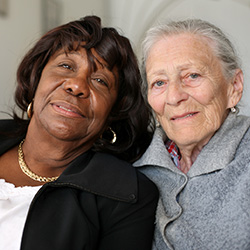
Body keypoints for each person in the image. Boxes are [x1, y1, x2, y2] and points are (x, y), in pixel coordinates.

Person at [0, 15, 159, 250]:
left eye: (100, 80)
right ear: (36, 79)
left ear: (114, 112)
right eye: (66, 66)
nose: (76, 86)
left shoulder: (127, 195)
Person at [134, 18, 250, 250]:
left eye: (193, 76)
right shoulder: (131, 170)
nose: (174, 96)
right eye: (159, 82)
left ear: (234, 86)